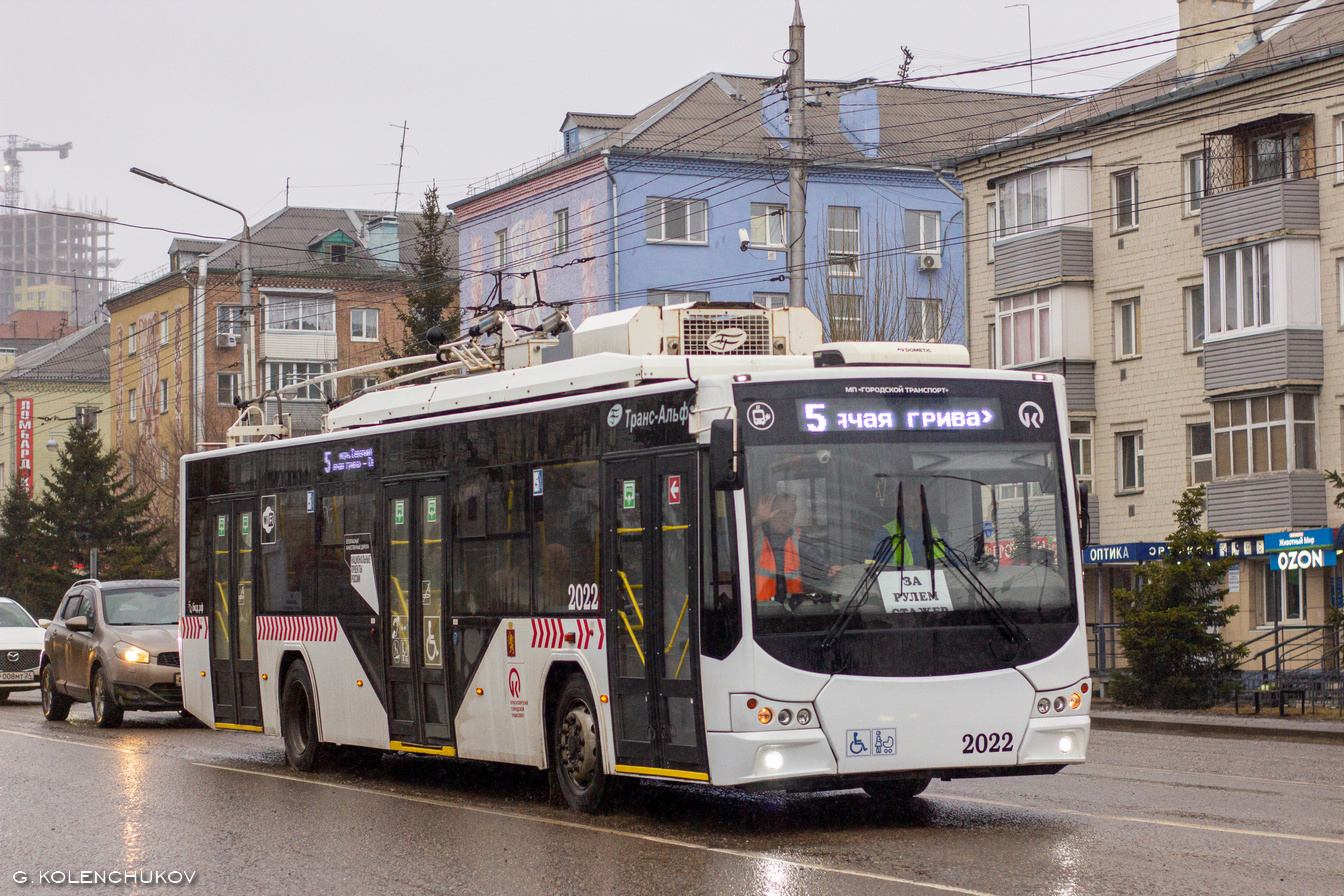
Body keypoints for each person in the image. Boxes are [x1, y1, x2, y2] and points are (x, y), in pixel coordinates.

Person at [753, 492, 841, 603]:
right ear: (770, 513)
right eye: (782, 513)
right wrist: (757, 520)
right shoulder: (755, 533)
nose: (786, 518)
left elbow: (814, 557)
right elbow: (738, 543)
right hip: (760, 609)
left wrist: (829, 569)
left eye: (790, 515)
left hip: (792, 608)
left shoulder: (797, 535)